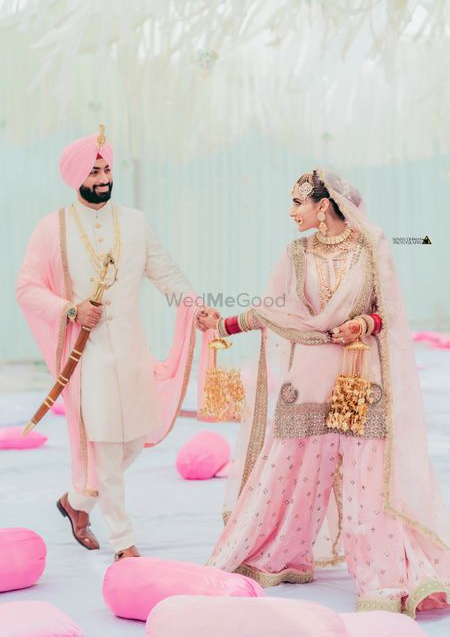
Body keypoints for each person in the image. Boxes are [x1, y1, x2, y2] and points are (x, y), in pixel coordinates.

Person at [201, 169, 450, 617]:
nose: (291, 211)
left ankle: (384, 576)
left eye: (299, 202)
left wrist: (362, 324)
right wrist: (223, 325)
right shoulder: (295, 254)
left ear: (324, 205)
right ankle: (279, 554)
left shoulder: (371, 251)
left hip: (359, 375)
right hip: (311, 374)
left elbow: (387, 313)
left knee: (368, 482)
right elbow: (272, 310)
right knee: (290, 469)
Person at [16, 126, 218, 561]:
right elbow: (27, 288)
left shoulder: (135, 222)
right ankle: (124, 543)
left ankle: (76, 502)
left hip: (132, 354)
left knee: (131, 443)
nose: (104, 176)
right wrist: (71, 309)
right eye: (94, 169)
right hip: (88, 360)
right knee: (106, 449)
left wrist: (196, 306)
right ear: (76, 177)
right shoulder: (52, 229)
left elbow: (166, 273)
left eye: (107, 167)